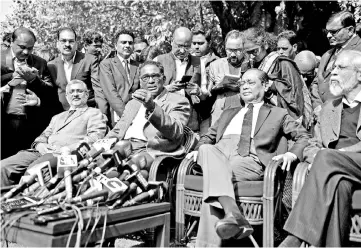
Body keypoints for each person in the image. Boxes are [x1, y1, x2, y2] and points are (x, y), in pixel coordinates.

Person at [186, 68, 311, 247]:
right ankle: (232, 213)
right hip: (218, 152)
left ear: (266, 85)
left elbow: (303, 136)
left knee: (214, 179)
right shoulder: (228, 112)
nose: (244, 87)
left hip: (248, 157)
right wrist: (197, 149)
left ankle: (214, 235)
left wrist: (292, 154)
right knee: (206, 149)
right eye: (242, 83)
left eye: (250, 82)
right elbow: (207, 137)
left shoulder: (278, 113)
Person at [280, 49, 361, 247]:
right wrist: (316, 155)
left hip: (355, 161)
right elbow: (313, 143)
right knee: (339, 187)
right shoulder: (329, 107)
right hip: (337, 171)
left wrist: (335, 155)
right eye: (333, 68)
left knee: (326, 157)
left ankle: (294, 238)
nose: (333, 73)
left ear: (360, 74)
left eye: (340, 68)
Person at [0, 79, 107, 187]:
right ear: (66, 96)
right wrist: (39, 144)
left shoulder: (94, 113)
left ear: (87, 94)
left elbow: (94, 138)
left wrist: (66, 149)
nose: (75, 94)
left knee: (32, 172)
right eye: (71, 92)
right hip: (40, 151)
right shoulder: (57, 117)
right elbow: (43, 136)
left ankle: (22, 201)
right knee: (3, 167)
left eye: (79, 91)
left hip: (63, 155)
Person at [105, 60, 190, 158]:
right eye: (145, 77)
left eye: (155, 76)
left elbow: (176, 132)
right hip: (123, 147)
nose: (151, 81)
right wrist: (101, 144)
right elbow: (117, 130)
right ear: (140, 82)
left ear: (164, 79)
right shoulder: (133, 103)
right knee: (96, 163)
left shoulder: (178, 101)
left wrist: (152, 107)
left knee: (129, 169)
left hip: (150, 151)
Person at [0, 27, 61, 159]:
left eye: (30, 48)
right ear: (11, 41)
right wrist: (12, 76)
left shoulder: (40, 63)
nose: (26, 51)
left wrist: (34, 80)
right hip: (3, 123)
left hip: (29, 125)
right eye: (22, 47)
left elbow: (51, 94)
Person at [240, 27, 312, 130]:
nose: (251, 56)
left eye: (254, 51)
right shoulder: (249, 65)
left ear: (265, 45)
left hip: (279, 119)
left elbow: (294, 94)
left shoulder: (283, 63)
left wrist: (272, 85)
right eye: (248, 53)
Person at [154, 27, 204, 134]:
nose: (182, 51)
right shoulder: (159, 60)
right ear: (172, 42)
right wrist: (166, 89)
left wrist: (198, 91)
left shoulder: (198, 62)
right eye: (179, 46)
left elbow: (206, 93)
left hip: (190, 118)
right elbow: (149, 91)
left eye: (186, 47)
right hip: (165, 115)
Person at [310, 11, 361, 111]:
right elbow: (316, 83)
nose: (328, 35)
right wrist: (318, 106)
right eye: (327, 31)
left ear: (350, 30)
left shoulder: (359, 52)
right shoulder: (327, 54)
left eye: (334, 32)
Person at [48, 27, 102, 111]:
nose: (67, 44)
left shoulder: (90, 60)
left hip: (86, 113)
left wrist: (101, 114)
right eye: (63, 41)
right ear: (57, 44)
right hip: (62, 115)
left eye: (71, 41)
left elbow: (99, 91)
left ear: (76, 43)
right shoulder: (51, 65)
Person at [207, 30, 250, 126]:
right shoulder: (215, 65)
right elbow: (208, 93)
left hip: (243, 112)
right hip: (220, 113)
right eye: (230, 50)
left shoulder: (250, 65)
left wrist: (240, 86)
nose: (233, 54)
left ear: (244, 49)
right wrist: (218, 87)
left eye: (237, 50)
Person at [99, 29, 140, 127]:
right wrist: (127, 117)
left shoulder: (138, 66)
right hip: (117, 116)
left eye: (130, 43)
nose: (127, 45)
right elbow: (111, 93)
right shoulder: (107, 65)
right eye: (123, 42)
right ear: (115, 45)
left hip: (137, 113)